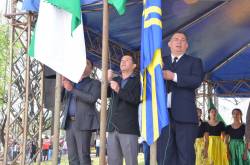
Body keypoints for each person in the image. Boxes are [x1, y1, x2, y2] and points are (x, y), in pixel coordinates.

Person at [157, 31, 204, 165]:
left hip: (185, 117)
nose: (179, 42)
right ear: (169, 44)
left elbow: (196, 81)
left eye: (182, 40)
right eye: (176, 39)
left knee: (186, 155)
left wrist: (174, 76)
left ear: (187, 45)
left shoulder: (194, 62)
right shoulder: (160, 61)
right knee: (165, 155)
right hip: (163, 116)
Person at [61, 59, 101, 165]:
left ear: (92, 69)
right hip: (69, 123)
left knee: (83, 156)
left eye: (87, 63)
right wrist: (62, 85)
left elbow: (92, 98)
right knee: (72, 157)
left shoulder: (95, 83)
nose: (83, 64)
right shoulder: (71, 82)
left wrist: (72, 89)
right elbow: (60, 99)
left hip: (83, 123)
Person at [106, 54, 141, 165]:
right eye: (121, 60)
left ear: (134, 65)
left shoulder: (138, 80)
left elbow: (135, 99)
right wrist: (107, 80)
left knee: (131, 161)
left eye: (127, 60)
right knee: (113, 162)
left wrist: (118, 89)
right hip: (112, 127)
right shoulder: (115, 79)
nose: (123, 62)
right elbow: (102, 94)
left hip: (128, 128)